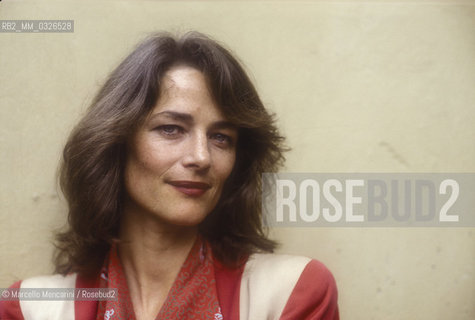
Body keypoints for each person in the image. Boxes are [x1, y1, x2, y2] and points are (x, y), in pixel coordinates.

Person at [0, 31, 339, 320]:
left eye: (221, 138)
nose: (202, 157)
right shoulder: (32, 308)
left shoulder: (289, 294)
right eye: (172, 129)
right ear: (118, 142)